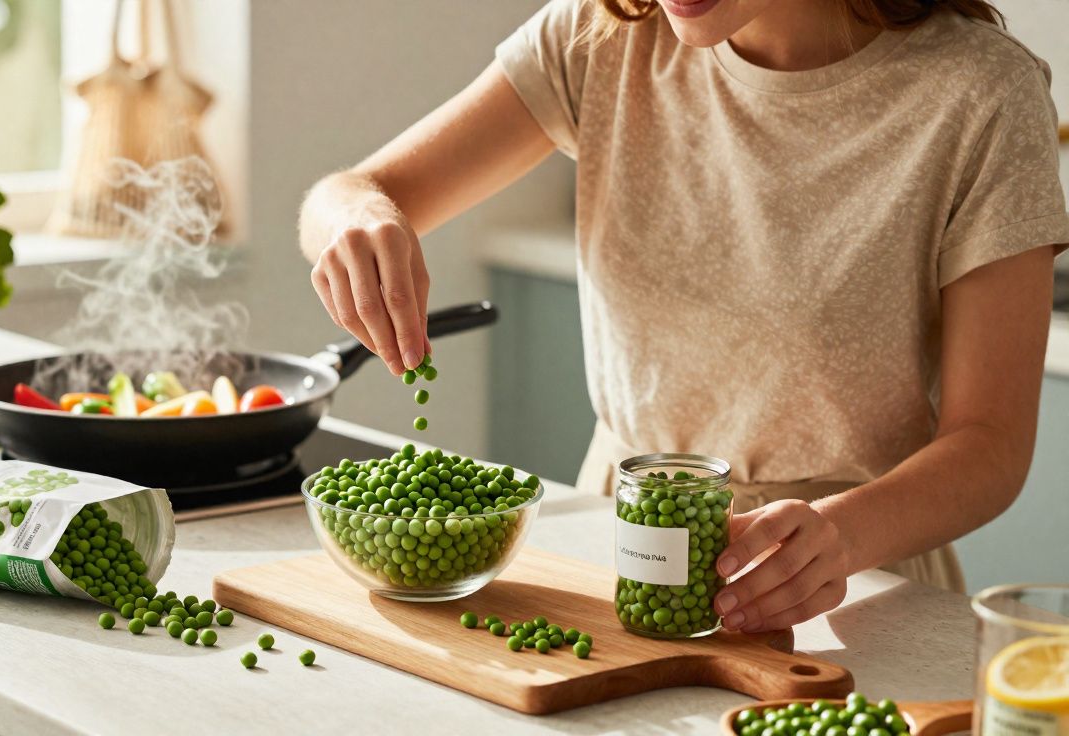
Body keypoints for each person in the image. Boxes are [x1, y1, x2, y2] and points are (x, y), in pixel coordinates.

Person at [298, 0, 1069, 633]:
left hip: (850, 584)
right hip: (612, 551)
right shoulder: (602, 37)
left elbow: (990, 445)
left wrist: (840, 536)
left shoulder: (981, 93)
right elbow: (351, 191)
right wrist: (355, 220)